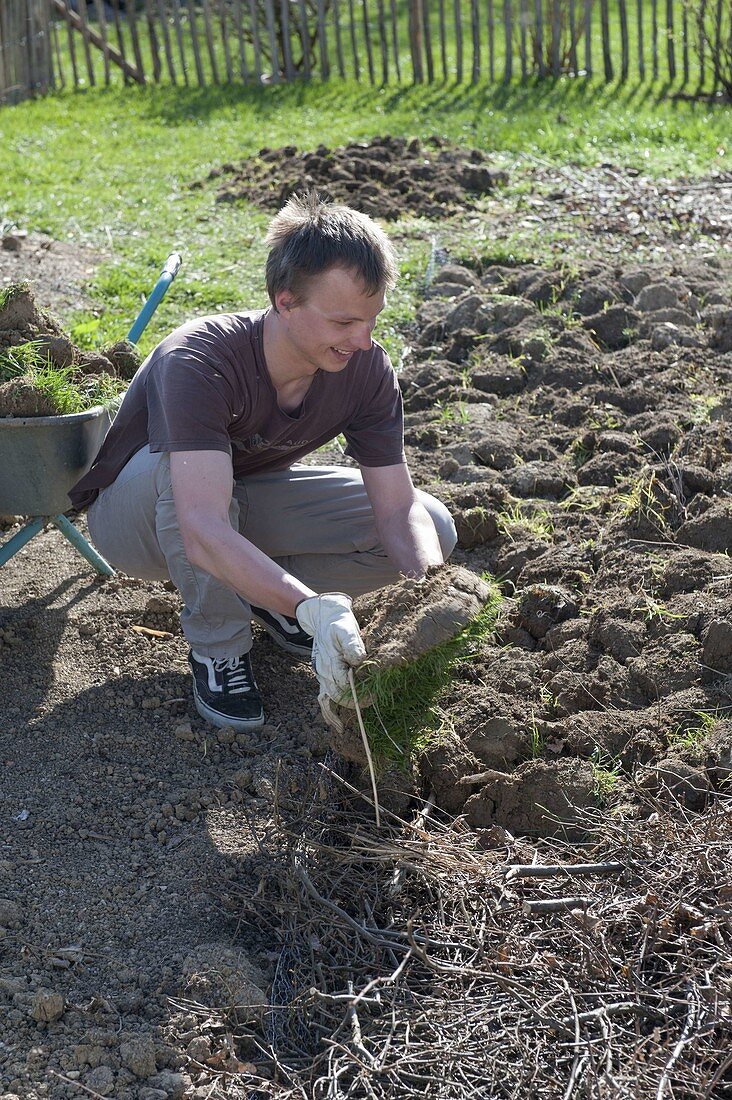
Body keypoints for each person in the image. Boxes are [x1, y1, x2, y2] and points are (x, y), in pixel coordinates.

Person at [69, 192, 456, 733]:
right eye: (344, 322)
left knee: (432, 523)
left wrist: (433, 596)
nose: (363, 341)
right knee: (180, 481)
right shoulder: (201, 360)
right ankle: (220, 648)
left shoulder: (364, 369)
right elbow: (200, 525)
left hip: (239, 501)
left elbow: (395, 510)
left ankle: (266, 597)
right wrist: (312, 606)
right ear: (285, 300)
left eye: (371, 320)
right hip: (137, 520)